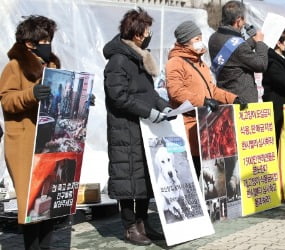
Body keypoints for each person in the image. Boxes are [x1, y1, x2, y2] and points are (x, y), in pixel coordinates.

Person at [103, 8, 169, 246]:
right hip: (126, 129)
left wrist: (164, 107)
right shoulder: (118, 61)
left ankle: (144, 223)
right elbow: (119, 97)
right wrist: (148, 111)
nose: (150, 33)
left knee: (144, 179)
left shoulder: (139, 58)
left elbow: (149, 93)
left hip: (143, 128)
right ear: (138, 33)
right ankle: (130, 227)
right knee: (128, 181)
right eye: (147, 29)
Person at [0, 15, 61, 250]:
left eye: (50, 39)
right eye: (44, 40)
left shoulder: (53, 65)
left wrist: (81, 99)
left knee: (48, 200)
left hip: (48, 140)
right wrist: (32, 94)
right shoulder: (14, 66)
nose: (49, 44)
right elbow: (6, 100)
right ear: (30, 43)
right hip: (25, 141)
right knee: (31, 201)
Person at [165, 20, 244, 177]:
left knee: (206, 173)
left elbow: (212, 90)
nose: (200, 42)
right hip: (188, 127)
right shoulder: (175, 62)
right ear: (185, 42)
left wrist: (232, 98)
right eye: (196, 39)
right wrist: (203, 101)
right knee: (191, 173)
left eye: (200, 38)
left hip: (205, 126)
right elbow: (176, 91)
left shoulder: (200, 63)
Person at [208, 0, 268, 103]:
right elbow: (261, 65)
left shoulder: (213, 38)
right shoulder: (239, 47)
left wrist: (252, 41)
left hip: (224, 96)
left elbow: (235, 53)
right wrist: (259, 43)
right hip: (242, 100)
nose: (244, 23)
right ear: (238, 19)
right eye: (243, 20)